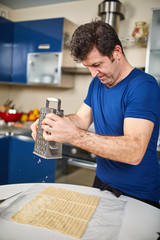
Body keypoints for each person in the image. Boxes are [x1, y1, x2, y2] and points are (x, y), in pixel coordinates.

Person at [31, 21, 160, 208]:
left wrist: (72, 135)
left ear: (116, 52)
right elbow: (81, 120)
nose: (93, 73)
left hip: (138, 193)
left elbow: (134, 152)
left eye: (97, 64)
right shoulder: (98, 83)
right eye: (88, 67)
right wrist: (54, 122)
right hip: (102, 183)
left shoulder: (143, 86)